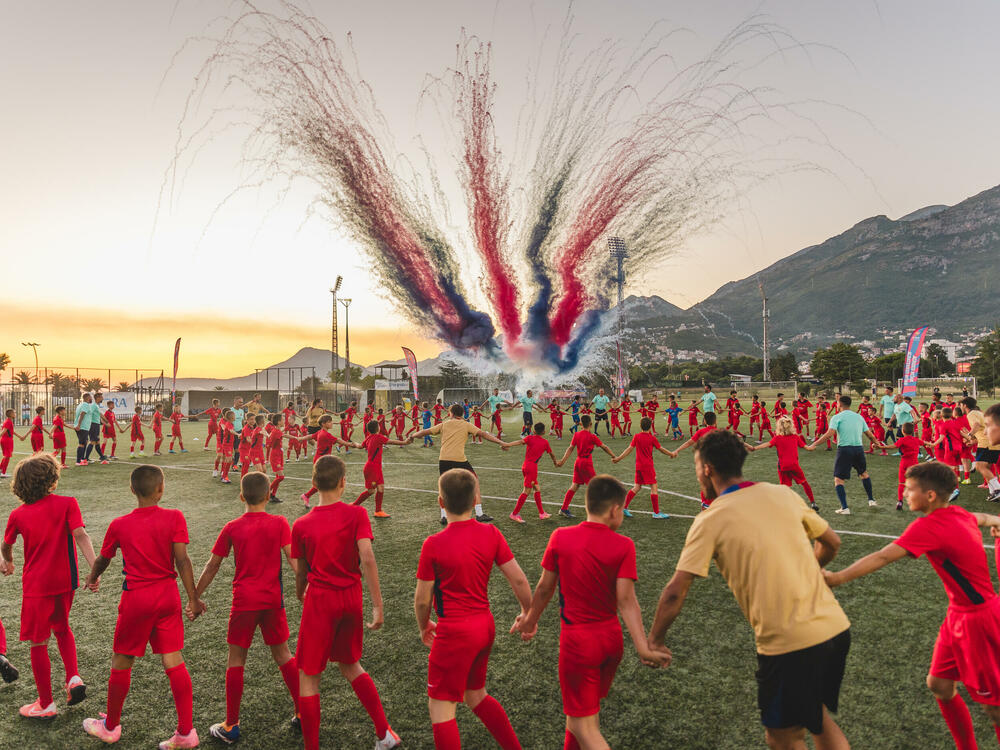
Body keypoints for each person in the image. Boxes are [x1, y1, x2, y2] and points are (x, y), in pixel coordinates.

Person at [649, 430, 851, 750]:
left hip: (789, 641)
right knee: (816, 717)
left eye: (696, 466)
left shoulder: (710, 519)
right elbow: (832, 542)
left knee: (782, 736)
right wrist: (809, 571)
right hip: (836, 628)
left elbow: (676, 591)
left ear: (707, 469)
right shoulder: (782, 494)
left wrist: (655, 640)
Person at [824, 461, 1000, 749]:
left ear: (930, 496)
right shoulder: (957, 513)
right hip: (958, 614)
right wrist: (996, 521)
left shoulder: (929, 526)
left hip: (977, 621)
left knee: (994, 708)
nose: (905, 494)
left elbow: (883, 556)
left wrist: (837, 578)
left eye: (909, 489)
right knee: (939, 684)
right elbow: (980, 517)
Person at [513, 475, 670, 750]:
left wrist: (529, 620)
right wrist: (642, 647)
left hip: (578, 645)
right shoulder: (624, 546)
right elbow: (627, 601)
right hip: (611, 642)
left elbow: (545, 589)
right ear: (615, 510)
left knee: (582, 725)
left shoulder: (561, 537)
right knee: (583, 718)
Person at [82, 465, 204, 748]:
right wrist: (194, 598)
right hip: (168, 596)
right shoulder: (175, 517)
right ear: (161, 489)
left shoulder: (119, 524)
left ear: (132, 490)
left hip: (137, 599)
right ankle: (186, 732)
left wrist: (92, 576)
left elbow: (103, 559)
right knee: (174, 661)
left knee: (122, 660)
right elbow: (182, 560)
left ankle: (110, 727)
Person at [415, 469, 532, 750]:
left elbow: (422, 600)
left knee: (441, 707)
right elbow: (518, 579)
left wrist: (424, 624)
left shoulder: (433, 544)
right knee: (476, 695)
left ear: (440, 502)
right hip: (484, 628)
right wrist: (528, 613)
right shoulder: (491, 532)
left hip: (454, 633)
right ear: (476, 499)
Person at [291, 455, 401, 750]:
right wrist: (377, 606)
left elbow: (300, 571)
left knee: (308, 676)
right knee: (351, 665)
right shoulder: (357, 514)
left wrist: (300, 592)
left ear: (314, 483)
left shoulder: (301, 524)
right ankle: (385, 734)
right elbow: (368, 558)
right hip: (351, 598)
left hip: (320, 600)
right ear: (343, 482)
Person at [193, 472, 300, 744]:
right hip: (272, 601)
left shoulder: (232, 527)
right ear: (268, 495)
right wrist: (309, 590)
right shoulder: (279, 522)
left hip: (244, 603)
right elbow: (294, 560)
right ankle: (303, 711)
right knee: (284, 654)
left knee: (236, 659)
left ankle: (231, 725)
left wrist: (194, 596)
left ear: (241, 496)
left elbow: (212, 565)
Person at [2, 454, 96, 718]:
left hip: (37, 586)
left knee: (38, 642)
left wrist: (9, 561)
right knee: (63, 628)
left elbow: (6, 545)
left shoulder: (18, 515)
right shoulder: (68, 503)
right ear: (52, 480)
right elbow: (81, 535)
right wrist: (94, 569)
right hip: (66, 582)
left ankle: (46, 704)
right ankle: (73, 678)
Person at [411, 404, 510, 524]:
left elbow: (423, 432)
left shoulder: (444, 424)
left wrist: (412, 436)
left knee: (443, 487)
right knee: (474, 482)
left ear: (451, 413)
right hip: (460, 460)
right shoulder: (466, 424)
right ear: (461, 414)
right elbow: (484, 434)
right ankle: (479, 514)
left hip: (444, 459)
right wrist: (501, 442)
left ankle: (444, 516)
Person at [809, 395, 882, 515]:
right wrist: (877, 444)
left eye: (837, 402)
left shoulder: (837, 417)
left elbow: (829, 434)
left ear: (840, 404)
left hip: (844, 450)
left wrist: (814, 444)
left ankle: (845, 508)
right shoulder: (859, 417)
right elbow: (869, 434)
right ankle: (871, 500)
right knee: (863, 473)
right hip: (858, 449)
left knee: (838, 479)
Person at [748, 416, 817, 510]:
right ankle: (813, 503)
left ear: (779, 427)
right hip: (794, 465)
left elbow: (766, 444)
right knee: (804, 483)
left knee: (785, 487)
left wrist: (754, 448)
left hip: (783, 466)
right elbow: (808, 448)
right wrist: (813, 446)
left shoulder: (777, 438)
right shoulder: (795, 437)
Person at [555, 415, 616, 518]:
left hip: (578, 462)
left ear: (581, 424)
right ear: (591, 424)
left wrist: (562, 461)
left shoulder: (577, 434)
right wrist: (614, 456)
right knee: (595, 486)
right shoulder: (592, 436)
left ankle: (564, 509)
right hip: (586, 463)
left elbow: (570, 448)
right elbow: (604, 447)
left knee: (575, 485)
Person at [612, 416, 672, 519]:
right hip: (647, 466)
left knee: (637, 487)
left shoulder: (637, 436)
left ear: (640, 426)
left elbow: (629, 449)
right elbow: (661, 449)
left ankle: (624, 507)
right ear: (650, 426)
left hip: (639, 466)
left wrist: (618, 458)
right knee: (654, 487)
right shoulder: (652, 438)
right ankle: (656, 513)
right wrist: (671, 454)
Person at [351, 421, 410, 519]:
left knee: (381, 488)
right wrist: (404, 442)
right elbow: (391, 441)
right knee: (371, 491)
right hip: (372, 468)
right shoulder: (378, 437)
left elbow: (360, 446)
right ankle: (354, 505)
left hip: (376, 468)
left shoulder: (369, 437)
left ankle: (378, 511)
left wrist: (355, 444)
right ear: (377, 428)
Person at [503, 422, 557, 523]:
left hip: (526, 466)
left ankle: (542, 513)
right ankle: (514, 514)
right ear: (544, 432)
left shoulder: (530, 438)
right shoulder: (545, 442)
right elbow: (552, 454)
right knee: (526, 491)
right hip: (532, 468)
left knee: (537, 488)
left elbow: (519, 441)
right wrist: (555, 462)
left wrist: (507, 444)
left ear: (534, 431)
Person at [298, 415, 351, 508]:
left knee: (325, 481)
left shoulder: (320, 432)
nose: (331, 423)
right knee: (326, 481)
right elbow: (338, 440)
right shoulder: (326, 435)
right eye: (329, 422)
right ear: (323, 424)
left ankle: (307, 496)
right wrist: (351, 444)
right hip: (322, 461)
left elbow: (310, 436)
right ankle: (311, 497)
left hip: (322, 460)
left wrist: (301, 438)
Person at [961, 397, 1000, 502]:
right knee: (986, 469)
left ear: (965, 405)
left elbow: (977, 425)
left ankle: (997, 489)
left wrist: (969, 435)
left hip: (986, 444)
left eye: (960, 405)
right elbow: (982, 429)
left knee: (979, 466)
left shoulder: (971, 414)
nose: (960, 407)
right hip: (992, 443)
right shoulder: (978, 413)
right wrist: (973, 440)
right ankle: (993, 492)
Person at [892, 423, 926, 510]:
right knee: (916, 482)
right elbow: (925, 443)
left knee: (901, 483)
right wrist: (934, 444)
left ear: (903, 431)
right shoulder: (916, 440)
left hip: (904, 463)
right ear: (912, 431)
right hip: (914, 463)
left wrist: (880, 446)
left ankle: (900, 501)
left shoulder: (902, 440)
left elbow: (893, 446)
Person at [71, 393, 97, 466]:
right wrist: (79, 425)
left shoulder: (80, 405)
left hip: (83, 427)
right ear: (88, 398)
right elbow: (82, 414)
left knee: (85, 442)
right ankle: (78, 461)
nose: (92, 399)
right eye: (91, 398)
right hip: (82, 427)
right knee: (81, 444)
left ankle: (82, 459)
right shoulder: (85, 405)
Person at [1, 409, 24, 477]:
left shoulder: (9, 421)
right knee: (7, 456)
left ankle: (1, 469)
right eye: (14, 413)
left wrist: (19, 436)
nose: (15, 414)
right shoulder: (8, 422)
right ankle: (3, 472)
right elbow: (4, 431)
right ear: (10, 414)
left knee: (6, 456)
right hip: (7, 440)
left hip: (7, 440)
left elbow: (11, 431)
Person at [89, 392, 111, 463]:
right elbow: (90, 413)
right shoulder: (93, 405)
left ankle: (102, 456)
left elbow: (99, 415)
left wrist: (106, 422)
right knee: (93, 441)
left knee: (97, 442)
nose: (103, 398)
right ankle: (86, 458)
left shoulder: (96, 406)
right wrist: (106, 422)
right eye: (101, 397)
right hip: (93, 425)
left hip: (96, 425)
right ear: (98, 398)